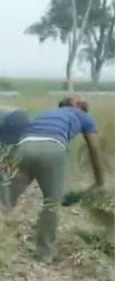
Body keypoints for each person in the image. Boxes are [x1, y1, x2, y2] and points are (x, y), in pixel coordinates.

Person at [9, 95, 105, 264]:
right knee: (52, 202)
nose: (84, 101)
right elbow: (94, 149)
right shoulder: (83, 116)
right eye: (80, 100)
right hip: (53, 148)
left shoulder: (46, 113)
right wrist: (99, 182)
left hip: (24, 147)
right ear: (73, 104)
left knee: (6, 198)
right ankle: (44, 254)